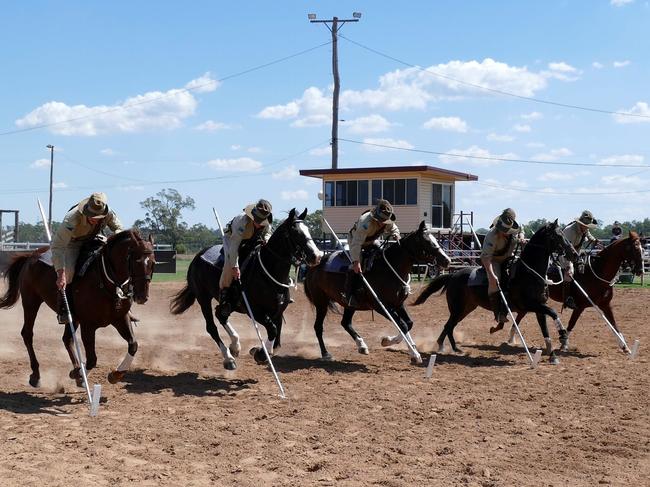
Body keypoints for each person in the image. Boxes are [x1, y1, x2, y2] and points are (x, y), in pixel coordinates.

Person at [51, 192, 123, 324]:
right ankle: (64, 309)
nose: (94, 218)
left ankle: (124, 307)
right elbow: (57, 246)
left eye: (98, 216)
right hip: (73, 242)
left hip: (95, 238)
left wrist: (115, 240)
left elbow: (119, 228)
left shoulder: (109, 213)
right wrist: (61, 274)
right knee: (69, 273)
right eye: (91, 215)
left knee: (116, 264)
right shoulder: (71, 218)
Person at [215, 199, 273, 324]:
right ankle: (225, 298)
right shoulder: (242, 221)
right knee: (228, 266)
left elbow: (268, 233)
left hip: (252, 241)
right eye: (257, 220)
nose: (259, 224)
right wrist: (235, 267)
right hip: (232, 241)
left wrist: (266, 239)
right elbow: (234, 247)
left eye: (261, 221)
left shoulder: (266, 220)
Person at [344, 199, 401, 306]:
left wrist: (396, 234)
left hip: (372, 240)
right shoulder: (365, 222)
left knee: (382, 254)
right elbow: (356, 243)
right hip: (356, 240)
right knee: (356, 265)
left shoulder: (386, 220)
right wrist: (356, 261)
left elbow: (394, 228)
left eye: (384, 222)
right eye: (380, 221)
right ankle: (349, 295)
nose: (382, 224)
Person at [481, 208, 525, 324]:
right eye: (503, 229)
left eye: (507, 229)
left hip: (509, 259)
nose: (504, 232)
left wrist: (521, 238)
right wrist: (491, 275)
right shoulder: (491, 236)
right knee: (495, 280)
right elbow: (486, 258)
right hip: (493, 260)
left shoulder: (515, 229)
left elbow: (521, 230)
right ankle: (498, 314)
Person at [560, 210, 599, 309]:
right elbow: (565, 248)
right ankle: (567, 298)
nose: (586, 227)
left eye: (588, 226)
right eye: (585, 225)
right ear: (580, 223)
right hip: (564, 254)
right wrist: (574, 256)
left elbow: (588, 235)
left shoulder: (584, 229)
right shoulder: (570, 231)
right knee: (570, 271)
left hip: (575, 253)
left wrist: (594, 240)